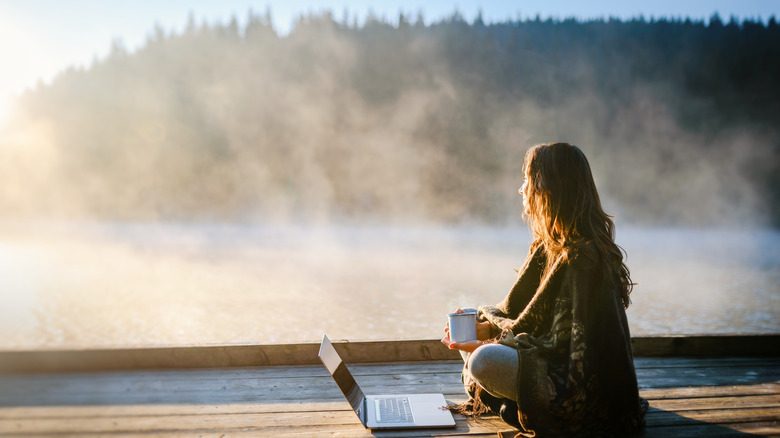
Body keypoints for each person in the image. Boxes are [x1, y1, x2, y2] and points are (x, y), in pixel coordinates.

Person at [441, 142, 648, 437]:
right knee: (472, 318)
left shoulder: (582, 259)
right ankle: (511, 399)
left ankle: (515, 403)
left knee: (483, 361)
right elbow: (523, 317)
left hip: (575, 386)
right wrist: (484, 331)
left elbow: (564, 349)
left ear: (548, 188)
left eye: (528, 180)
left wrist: (485, 346)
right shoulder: (547, 245)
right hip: (544, 354)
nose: (522, 189)